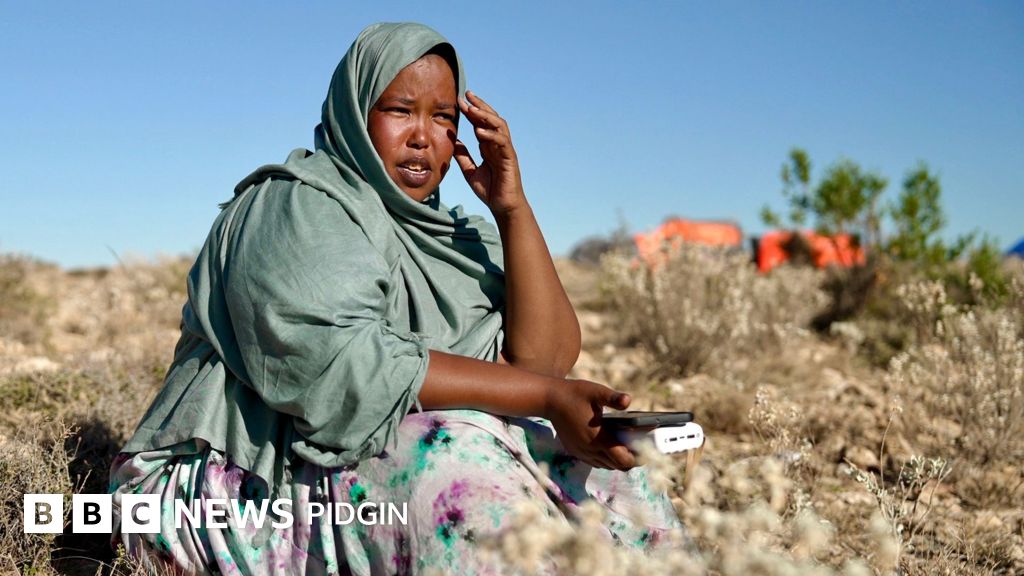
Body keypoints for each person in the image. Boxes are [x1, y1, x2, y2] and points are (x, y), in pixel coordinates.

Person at [110, 22, 684, 575]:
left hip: (350, 463)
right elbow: (349, 373)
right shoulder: (296, 206)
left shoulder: (458, 239)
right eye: (400, 110)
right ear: (356, 111)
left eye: (443, 116)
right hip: (232, 482)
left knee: (612, 474)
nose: (422, 136)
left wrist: (512, 208)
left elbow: (545, 362)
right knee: (454, 462)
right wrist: (549, 398)